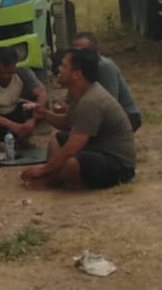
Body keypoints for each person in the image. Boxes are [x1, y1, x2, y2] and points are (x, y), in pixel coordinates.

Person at [20, 47, 137, 190]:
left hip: (118, 164)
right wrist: (44, 114)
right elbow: (67, 123)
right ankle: (55, 176)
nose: (58, 69)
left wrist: (43, 170)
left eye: (63, 66)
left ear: (77, 74)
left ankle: (52, 178)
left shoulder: (91, 101)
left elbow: (73, 146)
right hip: (97, 148)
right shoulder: (78, 94)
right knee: (57, 140)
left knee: (72, 163)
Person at [0, 46, 47, 149]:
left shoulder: (24, 73)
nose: (5, 76)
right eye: (1, 73)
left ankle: (23, 140)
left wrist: (33, 119)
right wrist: (12, 125)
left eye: (9, 72)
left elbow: (42, 92)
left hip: (15, 110)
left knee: (33, 106)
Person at [71, 31, 143, 131]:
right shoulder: (79, 69)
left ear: (96, 50)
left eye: (84, 51)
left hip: (126, 115)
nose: (79, 55)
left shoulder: (104, 66)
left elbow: (110, 102)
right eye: (75, 51)